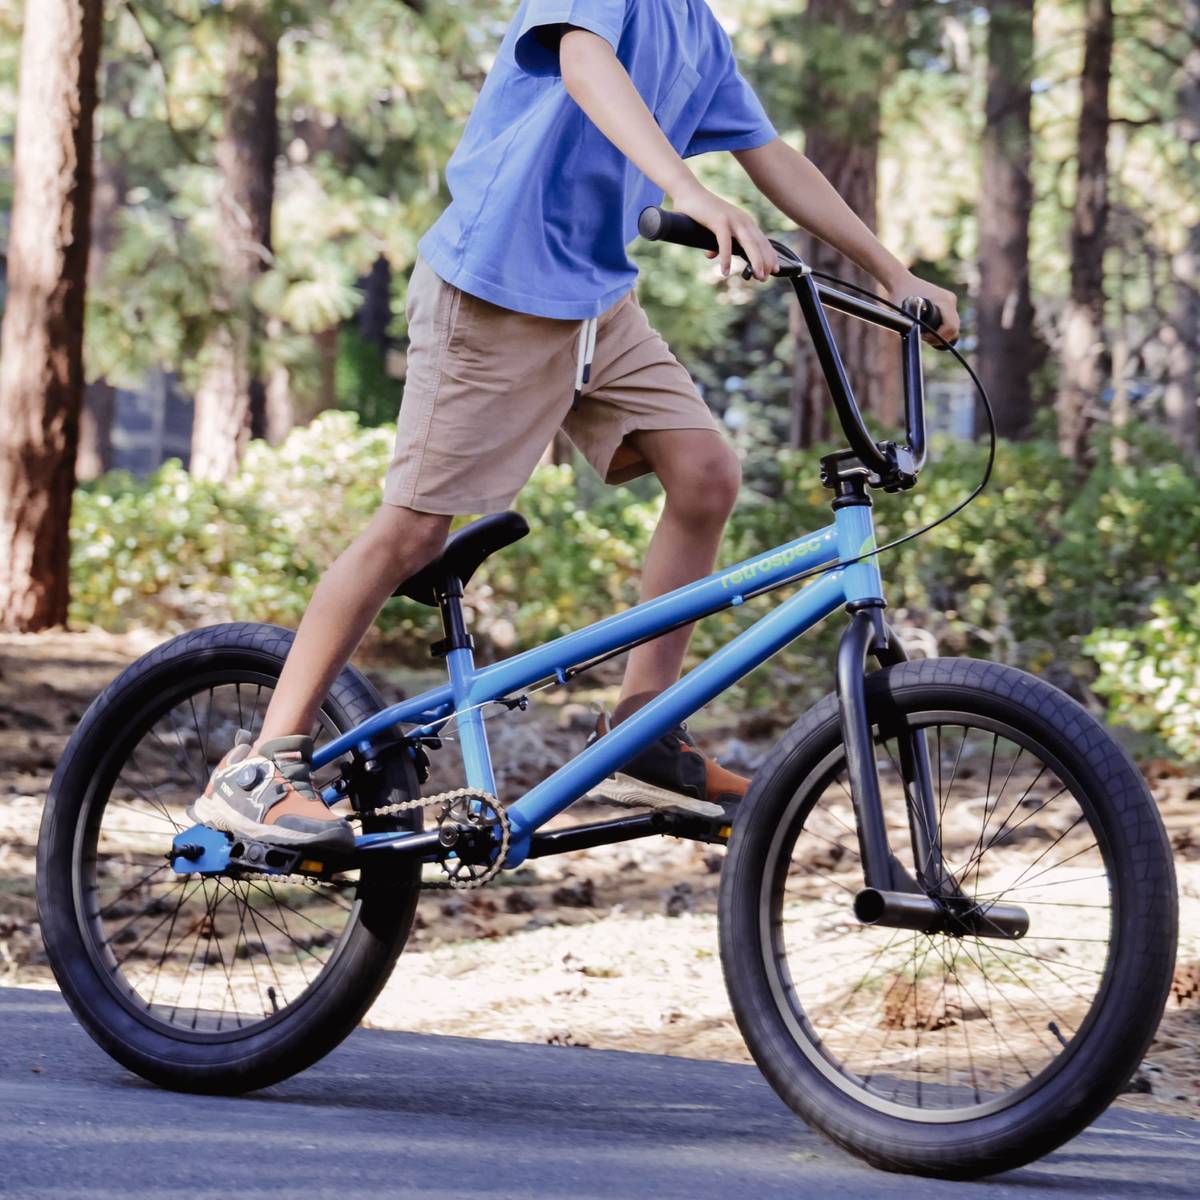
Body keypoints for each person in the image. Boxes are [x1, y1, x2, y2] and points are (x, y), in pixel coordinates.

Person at [189, 0, 960, 852]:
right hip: (493, 294)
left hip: (596, 303)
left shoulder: (698, 31)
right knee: (413, 528)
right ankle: (262, 766)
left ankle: (643, 723)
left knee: (707, 474)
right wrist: (690, 190)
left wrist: (892, 272)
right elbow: (585, 64)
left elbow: (770, 151)